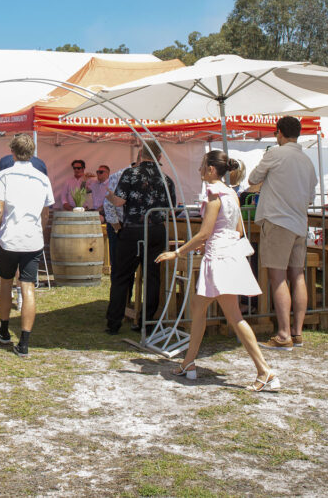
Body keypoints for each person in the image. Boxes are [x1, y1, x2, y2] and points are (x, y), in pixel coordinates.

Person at [155, 150, 279, 392]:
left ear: (211, 169)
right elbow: (237, 231)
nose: (200, 169)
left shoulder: (214, 192)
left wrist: (178, 252)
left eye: (202, 165)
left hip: (219, 257)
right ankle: (188, 363)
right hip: (226, 252)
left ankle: (265, 370)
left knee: (232, 316)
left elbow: (204, 232)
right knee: (200, 308)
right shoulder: (231, 192)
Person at [248, 116, 318, 351]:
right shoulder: (307, 161)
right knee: (297, 276)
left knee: (277, 277)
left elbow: (253, 178)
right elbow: (311, 197)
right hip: (300, 222)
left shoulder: (275, 154)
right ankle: (296, 333)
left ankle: (283, 334)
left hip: (278, 221)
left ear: (278, 133)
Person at [0, 133, 55, 357]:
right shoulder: (42, 178)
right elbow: (46, 212)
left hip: (10, 238)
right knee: (28, 287)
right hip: (32, 239)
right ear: (32, 153)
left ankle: (4, 330)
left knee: (6, 283)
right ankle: (24, 342)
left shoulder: (5, 175)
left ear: (12, 152)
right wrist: (40, 231)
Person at [104, 140, 176, 334]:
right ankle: (147, 321)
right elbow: (171, 210)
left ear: (141, 154)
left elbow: (119, 202)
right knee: (152, 276)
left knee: (121, 276)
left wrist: (109, 196)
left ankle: (114, 322)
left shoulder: (131, 173)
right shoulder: (166, 178)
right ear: (159, 157)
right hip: (157, 230)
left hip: (134, 229)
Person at [102, 165, 126, 287]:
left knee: (127, 266)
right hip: (119, 224)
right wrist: (117, 227)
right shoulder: (120, 175)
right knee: (118, 265)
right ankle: (119, 301)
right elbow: (108, 203)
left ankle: (128, 300)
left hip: (133, 225)